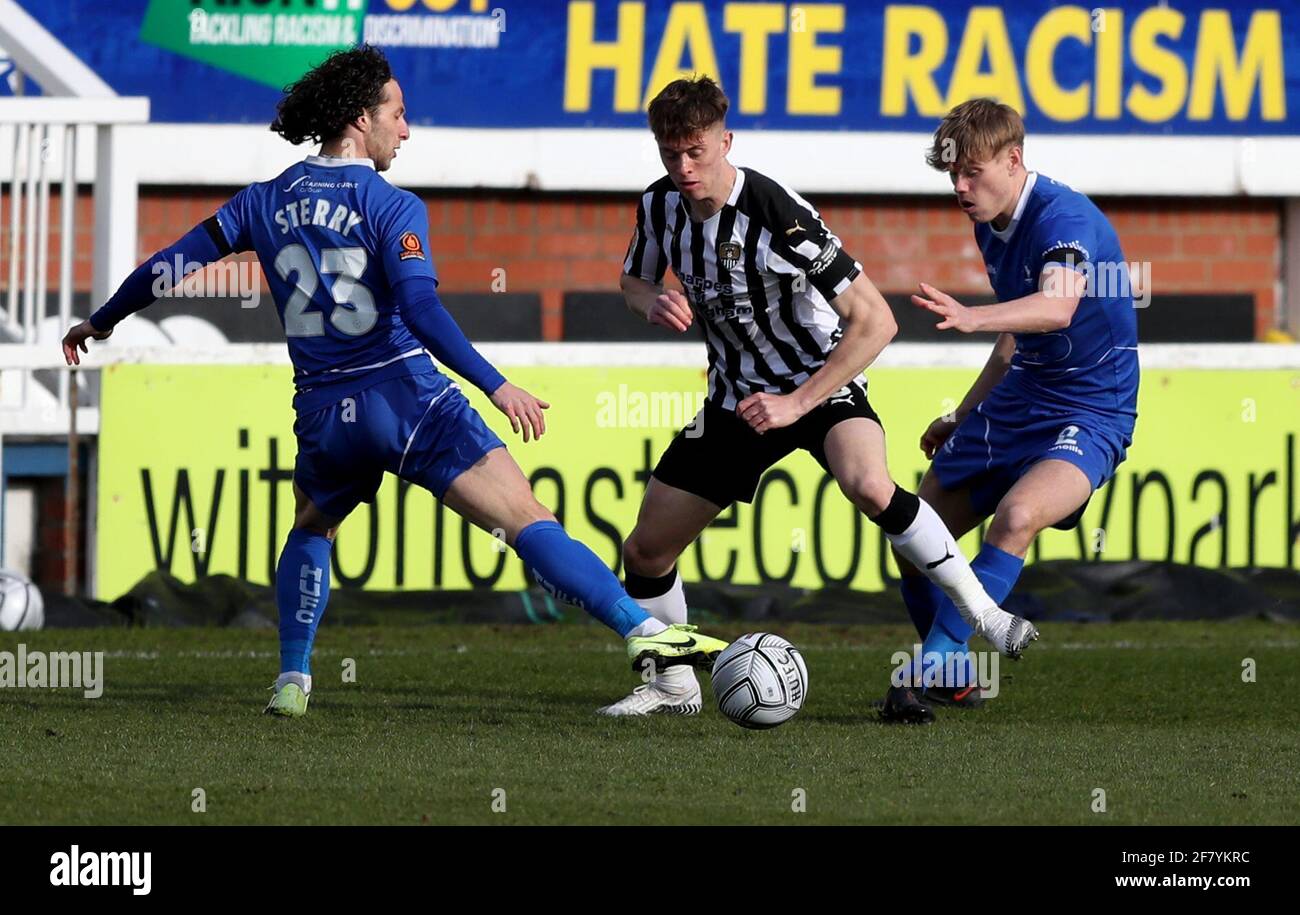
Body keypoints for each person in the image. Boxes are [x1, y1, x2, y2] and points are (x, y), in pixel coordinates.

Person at [61, 46, 729, 718]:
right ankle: (644, 628)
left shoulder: (263, 201)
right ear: (362, 119)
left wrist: (103, 319)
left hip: (324, 412)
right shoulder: (391, 205)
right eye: (398, 115)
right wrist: (497, 385)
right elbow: (420, 309)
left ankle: (292, 678)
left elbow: (170, 264)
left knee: (313, 528)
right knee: (527, 520)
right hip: (404, 397)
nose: (406, 130)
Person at [600, 76, 1036, 719]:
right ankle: (672, 685)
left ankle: (986, 615)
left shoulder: (778, 213)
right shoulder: (659, 206)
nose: (684, 167)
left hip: (821, 381)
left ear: (726, 141)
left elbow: (876, 321)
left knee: (868, 481)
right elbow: (633, 280)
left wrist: (799, 402)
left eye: (696, 152)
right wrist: (651, 300)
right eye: (671, 154)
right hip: (738, 402)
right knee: (645, 550)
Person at [880, 98, 1139, 723]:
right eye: (952, 176)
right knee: (915, 539)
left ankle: (926, 670)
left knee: (1019, 515)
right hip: (1023, 395)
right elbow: (1017, 335)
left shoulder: (1063, 218)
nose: (961, 188)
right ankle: (957, 674)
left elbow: (1056, 309)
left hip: (1092, 406)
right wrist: (964, 413)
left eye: (972, 173)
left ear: (1013, 159)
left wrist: (971, 315)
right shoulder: (989, 218)